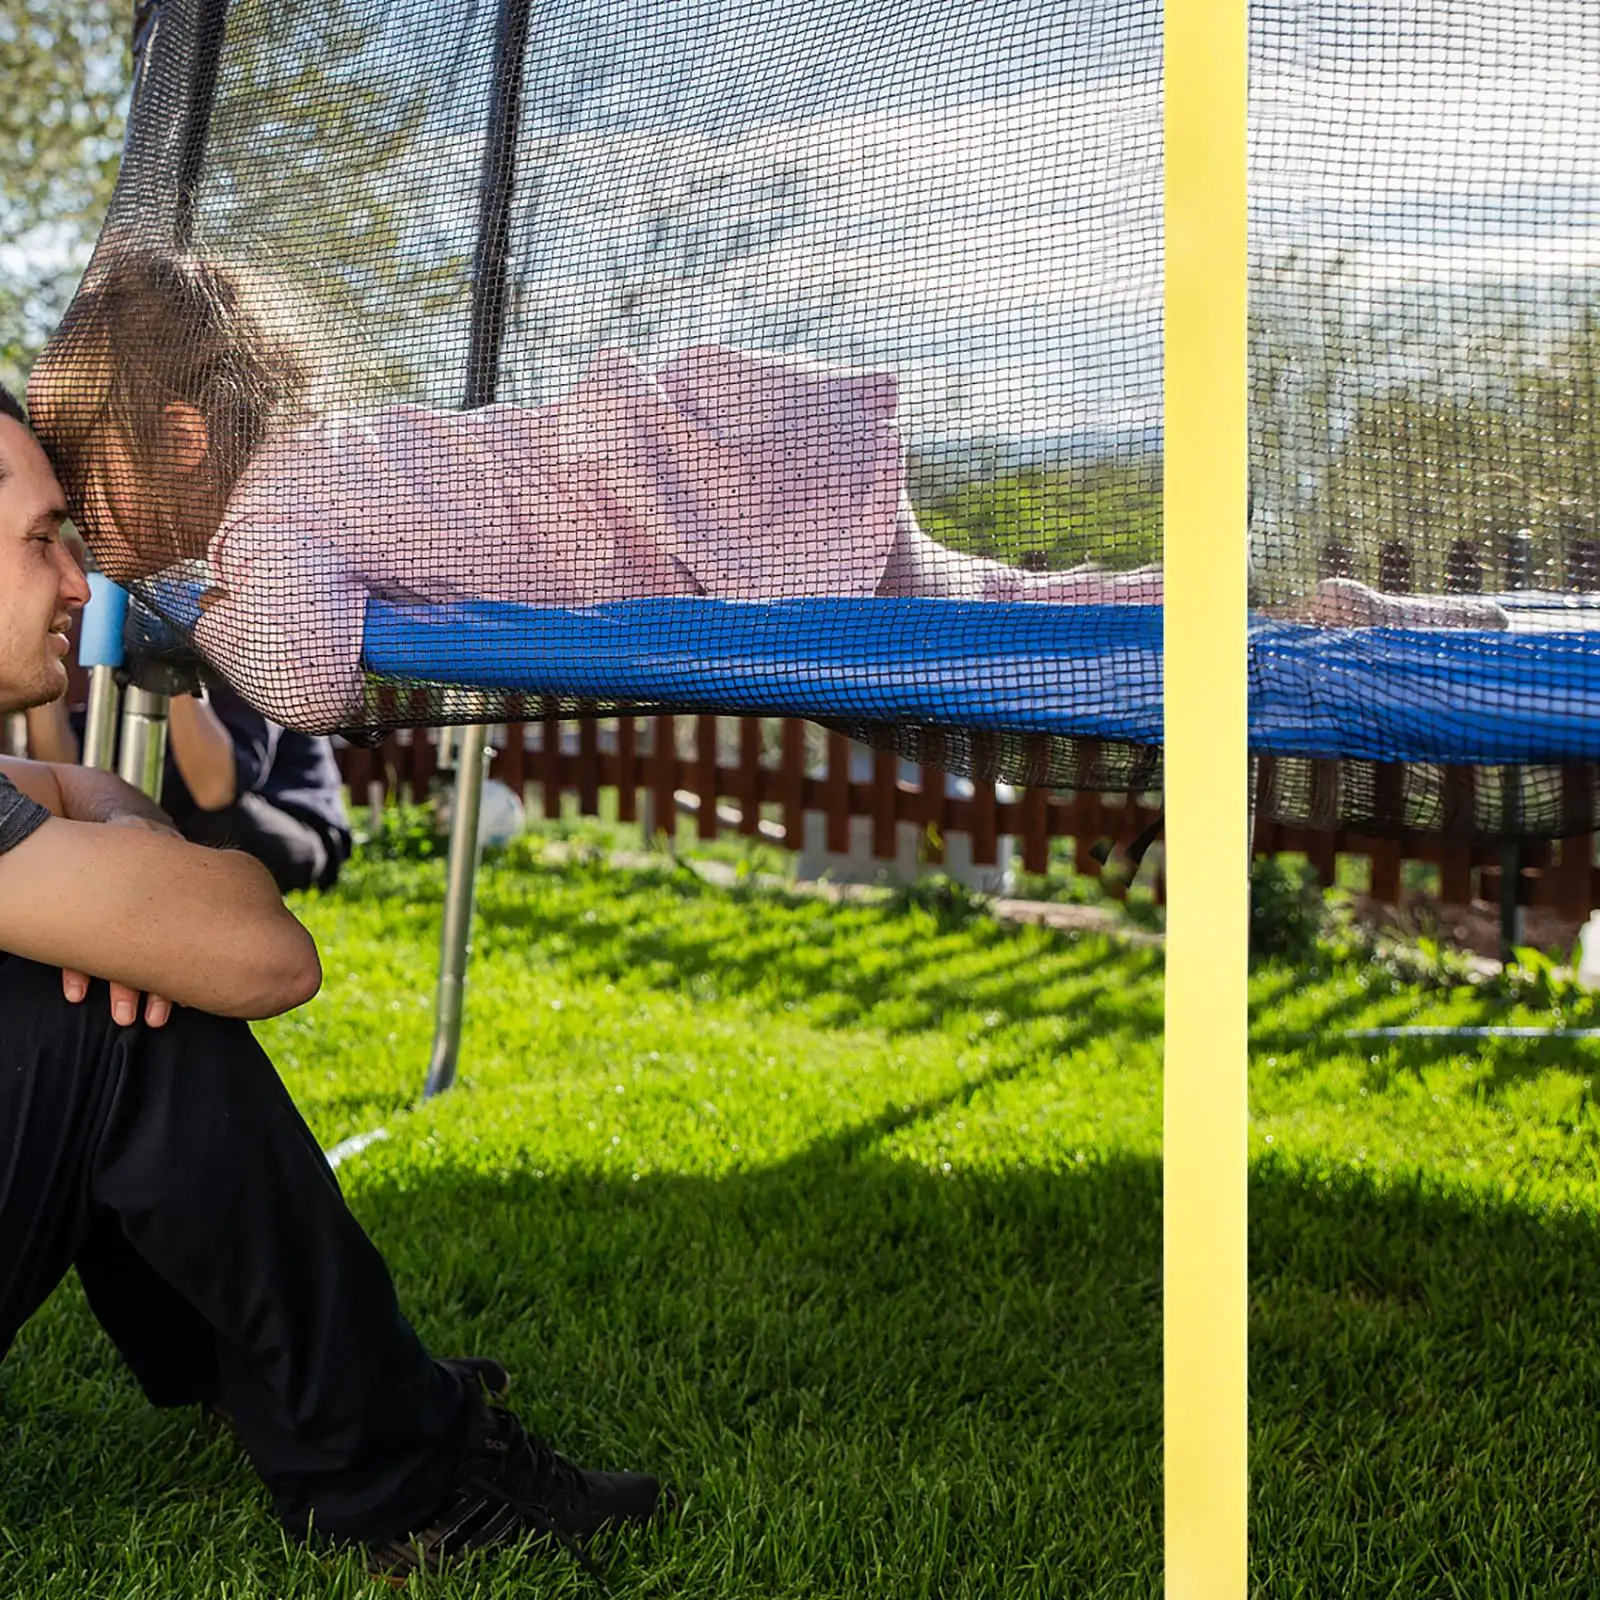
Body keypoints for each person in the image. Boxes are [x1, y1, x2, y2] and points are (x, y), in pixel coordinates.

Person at [0, 383, 670, 1579]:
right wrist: (122, 904)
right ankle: (397, 1465)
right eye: (43, 539)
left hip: (280, 830)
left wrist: (103, 864)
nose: (72, 583)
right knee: (122, 1031)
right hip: (233, 896)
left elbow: (112, 800)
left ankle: (295, 1386)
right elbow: (270, 957)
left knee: (99, 965)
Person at [27, 672, 353, 894]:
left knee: (219, 826)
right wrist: (39, 679)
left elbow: (215, 790)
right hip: (185, 819)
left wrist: (173, 669)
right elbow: (69, 774)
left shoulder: (256, 655)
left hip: (288, 827)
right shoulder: (116, 659)